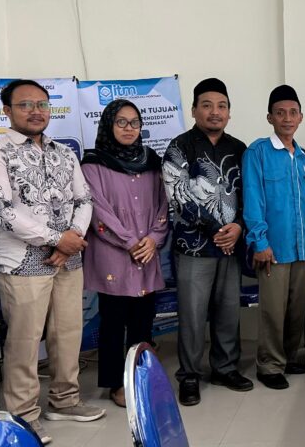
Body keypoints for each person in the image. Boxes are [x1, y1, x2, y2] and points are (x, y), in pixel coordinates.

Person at [0, 79, 105, 445]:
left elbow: (84, 199)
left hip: (67, 259)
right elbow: (0, 210)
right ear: (7, 111)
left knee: (68, 333)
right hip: (22, 262)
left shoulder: (64, 153)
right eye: (25, 105)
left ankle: (65, 400)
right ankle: (22, 417)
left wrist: (71, 238)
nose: (36, 111)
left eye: (42, 104)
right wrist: (56, 239)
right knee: (25, 341)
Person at [162, 78, 253, 405]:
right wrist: (219, 229)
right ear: (194, 110)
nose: (215, 112)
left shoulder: (240, 149)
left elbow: (250, 196)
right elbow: (178, 197)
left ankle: (225, 368)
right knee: (192, 315)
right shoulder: (179, 147)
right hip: (194, 248)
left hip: (231, 247)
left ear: (229, 112)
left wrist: (238, 226)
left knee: (229, 312)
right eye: (207, 105)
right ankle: (189, 375)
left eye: (222, 106)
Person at [81, 99, 168, 408]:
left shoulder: (151, 162)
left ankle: (141, 378)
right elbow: (98, 211)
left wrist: (153, 239)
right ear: (108, 125)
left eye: (134, 123)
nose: (129, 128)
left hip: (146, 253)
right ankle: (116, 383)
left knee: (143, 321)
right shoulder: (92, 165)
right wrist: (131, 242)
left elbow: (163, 204)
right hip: (114, 255)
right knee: (113, 323)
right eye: (121, 122)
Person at [242, 85, 305, 390]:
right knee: (273, 310)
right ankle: (269, 365)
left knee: (297, 308)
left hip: (304, 247)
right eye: (280, 113)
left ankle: (287, 357)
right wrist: (260, 242)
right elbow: (253, 199)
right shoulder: (257, 152)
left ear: (301, 117)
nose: (287, 118)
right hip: (273, 247)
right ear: (270, 117)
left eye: (293, 112)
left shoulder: (304, 157)